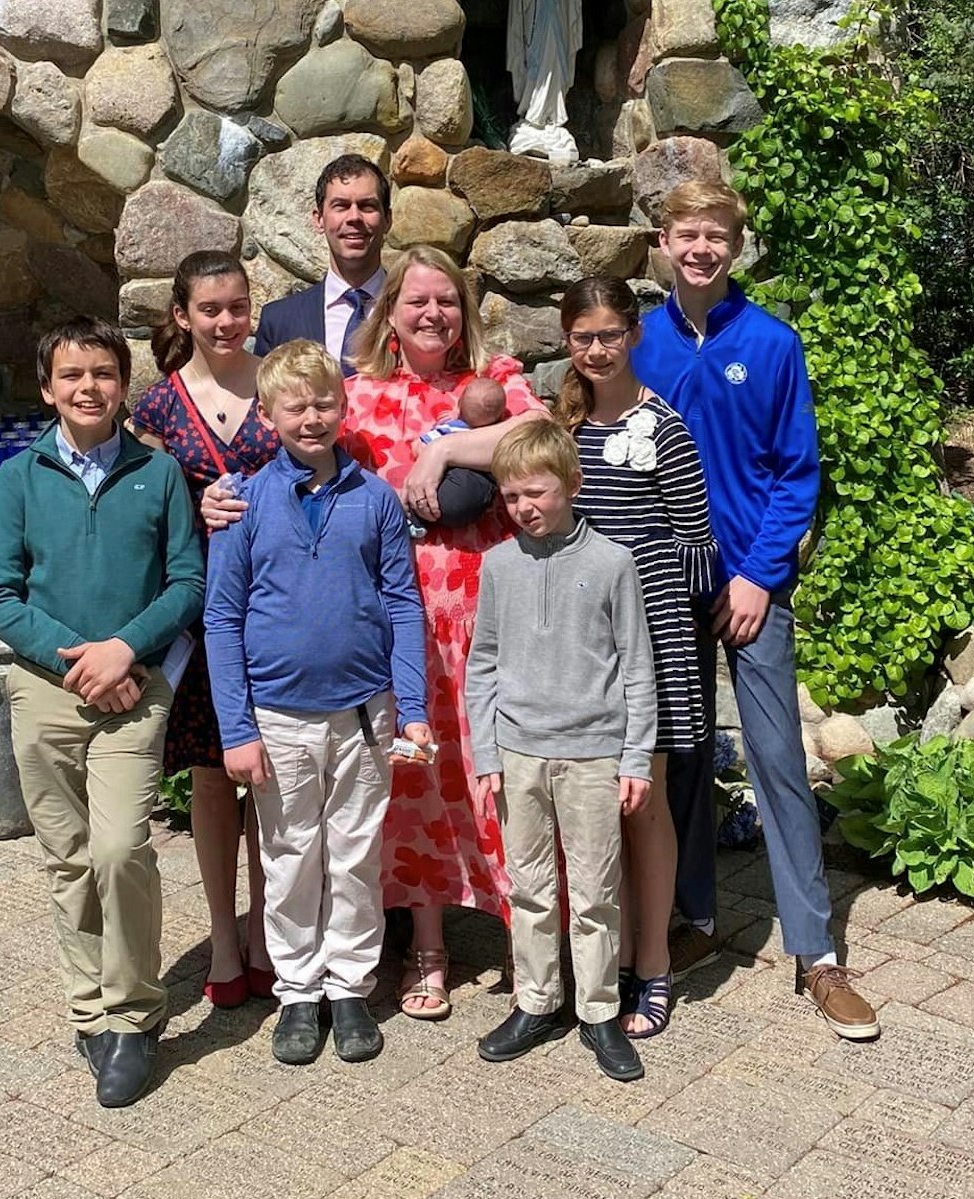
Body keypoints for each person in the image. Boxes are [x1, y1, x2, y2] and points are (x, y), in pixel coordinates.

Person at [204, 244, 548, 1019]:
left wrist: (454, 446)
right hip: (392, 629)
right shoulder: (359, 397)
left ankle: (527, 936)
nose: (433, 314)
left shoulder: (499, 386)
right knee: (417, 788)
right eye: (417, 300)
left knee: (505, 775)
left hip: (488, 625)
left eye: (447, 301)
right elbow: (288, 444)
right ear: (389, 312)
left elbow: (541, 443)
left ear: (466, 312)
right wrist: (216, 499)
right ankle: (426, 944)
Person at [631, 181, 881, 1040]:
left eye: (716, 236)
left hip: (750, 586)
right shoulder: (639, 344)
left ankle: (816, 953)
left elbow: (795, 474)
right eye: (686, 234)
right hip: (666, 585)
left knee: (777, 758)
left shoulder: (773, 344)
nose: (700, 248)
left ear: (736, 247)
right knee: (685, 754)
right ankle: (695, 921)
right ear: (662, 241)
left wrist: (757, 576)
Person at [0, 317, 205, 1107]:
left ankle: (136, 1015)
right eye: (72, 375)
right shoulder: (20, 477)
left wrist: (124, 650)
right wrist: (81, 658)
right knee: (68, 857)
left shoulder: (159, 473)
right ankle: (91, 1013)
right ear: (48, 388)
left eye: (103, 374)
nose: (88, 388)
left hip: (134, 688)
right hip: (47, 686)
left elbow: (186, 584)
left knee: (118, 847)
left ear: (123, 384)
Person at [204, 340, 433, 1065]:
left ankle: (350, 986)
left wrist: (414, 705)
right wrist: (236, 727)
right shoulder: (243, 502)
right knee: (291, 853)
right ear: (268, 414)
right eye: (294, 406)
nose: (311, 417)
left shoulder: (374, 500)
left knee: (355, 853)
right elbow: (221, 617)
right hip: (277, 716)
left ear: (343, 405)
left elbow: (403, 603)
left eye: (323, 402)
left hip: (364, 712)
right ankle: (298, 991)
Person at [558, 275, 722, 1040]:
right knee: (594, 802)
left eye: (609, 334)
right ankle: (606, 955)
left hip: (651, 635)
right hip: (580, 640)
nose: (597, 349)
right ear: (568, 342)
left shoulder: (665, 429)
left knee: (643, 802)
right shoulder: (563, 426)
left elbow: (699, 547)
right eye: (583, 336)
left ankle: (653, 962)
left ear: (633, 335)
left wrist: (634, 572)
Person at [466, 419, 655, 1082]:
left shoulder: (611, 563)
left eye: (537, 492)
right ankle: (538, 999)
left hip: (592, 754)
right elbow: (481, 662)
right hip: (518, 753)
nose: (525, 506)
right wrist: (485, 753)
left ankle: (598, 1009)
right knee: (531, 885)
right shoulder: (498, 564)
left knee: (596, 888)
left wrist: (635, 756)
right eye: (512, 496)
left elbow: (636, 666)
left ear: (571, 486)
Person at [128, 250, 280, 1010]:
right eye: (210, 309)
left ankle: (267, 933)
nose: (226, 322)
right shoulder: (156, 410)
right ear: (182, 316)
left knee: (274, 775)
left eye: (238, 306)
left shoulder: (281, 386)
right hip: (201, 618)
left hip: (280, 607)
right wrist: (195, 512)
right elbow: (143, 517)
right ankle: (225, 934)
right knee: (216, 779)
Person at [253, 154, 391, 373]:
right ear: (319, 220)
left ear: (387, 220)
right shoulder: (279, 321)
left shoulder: (418, 313)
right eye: (341, 206)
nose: (354, 217)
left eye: (367, 206)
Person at [404, 376, 508, 538]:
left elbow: (421, 446)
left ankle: (417, 522)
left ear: (459, 405)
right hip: (481, 495)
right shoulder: (492, 434)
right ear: (500, 416)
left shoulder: (450, 429)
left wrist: (420, 447)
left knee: (425, 495)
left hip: (450, 497)